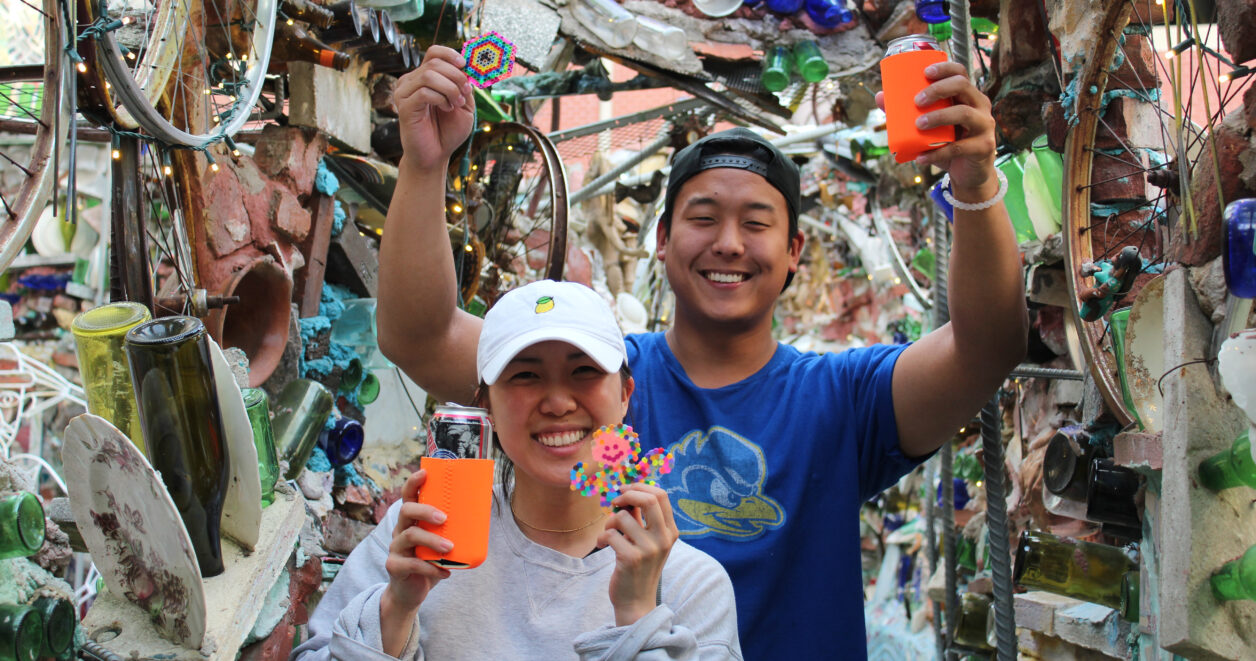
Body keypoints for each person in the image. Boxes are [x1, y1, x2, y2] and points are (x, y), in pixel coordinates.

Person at [370, 45, 1027, 659]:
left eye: (758, 223)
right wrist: (425, 164)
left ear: (795, 252)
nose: (730, 243)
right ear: (662, 240)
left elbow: (986, 348)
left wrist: (974, 185)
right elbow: (419, 338)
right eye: (704, 217)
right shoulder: (590, 379)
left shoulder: (841, 399)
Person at [292, 280, 741, 659]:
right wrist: (395, 609)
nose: (559, 403)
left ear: (624, 394)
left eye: (583, 370)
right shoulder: (424, 537)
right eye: (526, 376)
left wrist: (638, 617)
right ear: (485, 403)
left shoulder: (688, 583)